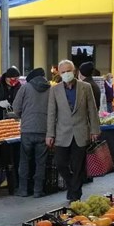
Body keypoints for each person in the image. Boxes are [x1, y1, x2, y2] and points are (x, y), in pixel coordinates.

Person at [46, 59, 101, 201]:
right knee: (60, 163)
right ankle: (72, 186)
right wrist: (50, 134)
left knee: (78, 166)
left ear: (74, 71)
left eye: (68, 71)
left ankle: (75, 194)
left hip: (81, 132)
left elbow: (92, 110)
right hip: (62, 133)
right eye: (63, 72)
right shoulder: (55, 90)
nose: (66, 74)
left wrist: (95, 130)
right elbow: (51, 113)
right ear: (59, 73)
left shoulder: (85, 87)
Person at [11, 68, 51, 197]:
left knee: (24, 160)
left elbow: (16, 109)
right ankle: (38, 191)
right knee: (41, 162)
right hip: (44, 130)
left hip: (27, 130)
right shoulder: (51, 89)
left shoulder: (25, 88)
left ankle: (23, 190)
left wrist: (24, 114)